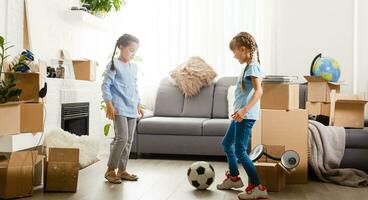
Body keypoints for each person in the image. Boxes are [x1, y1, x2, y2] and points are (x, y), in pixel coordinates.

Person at [216, 32, 268, 200]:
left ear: (243, 49)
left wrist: (244, 110)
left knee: (239, 150)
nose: (234, 56)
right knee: (227, 143)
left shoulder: (253, 66)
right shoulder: (248, 66)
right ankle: (234, 177)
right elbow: (245, 93)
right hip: (240, 115)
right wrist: (239, 110)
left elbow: (259, 91)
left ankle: (257, 186)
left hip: (245, 116)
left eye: (234, 52)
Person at [101, 33, 144, 184]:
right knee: (122, 138)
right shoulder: (113, 65)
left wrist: (138, 103)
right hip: (119, 108)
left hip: (132, 108)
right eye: (131, 50)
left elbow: (134, 87)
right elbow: (106, 85)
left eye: (135, 52)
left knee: (129, 140)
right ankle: (110, 170)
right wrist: (109, 104)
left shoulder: (134, 67)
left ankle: (122, 170)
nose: (133, 54)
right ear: (121, 47)